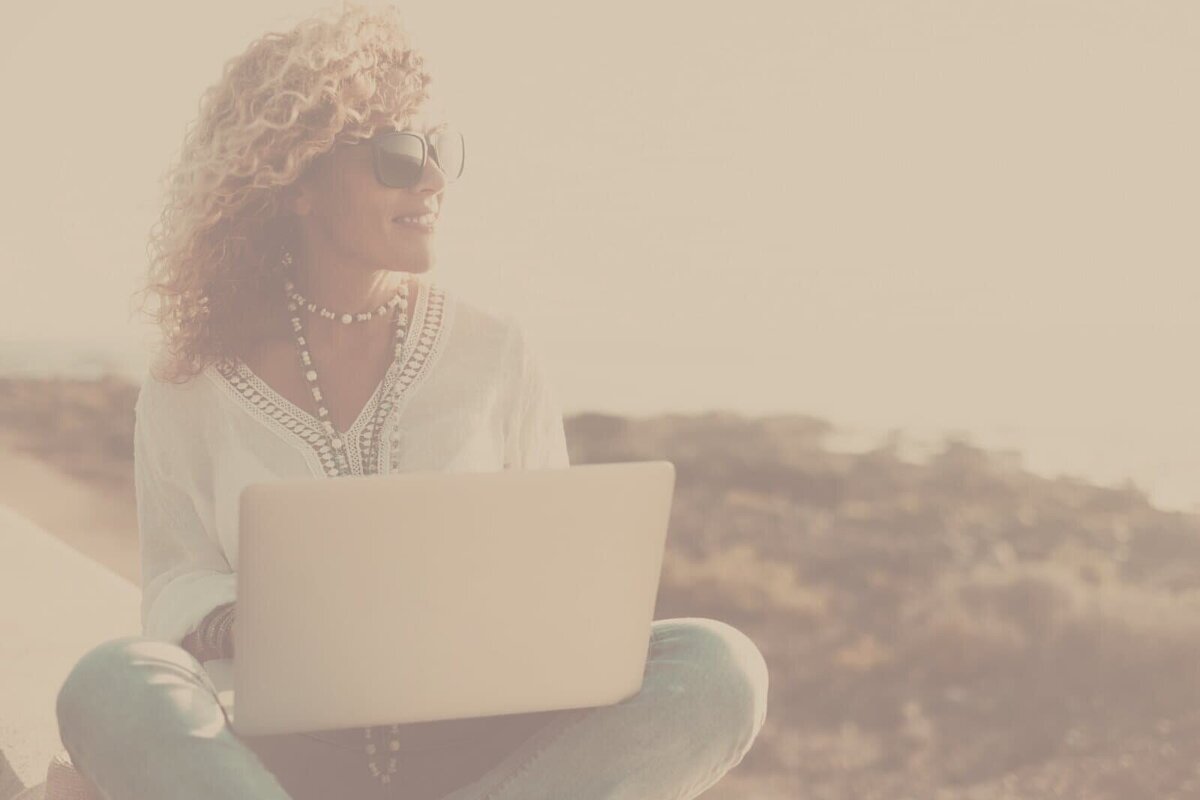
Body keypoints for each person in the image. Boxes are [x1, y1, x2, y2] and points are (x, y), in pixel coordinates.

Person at [53, 3, 769, 798]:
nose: (431, 179)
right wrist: (258, 623)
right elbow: (175, 584)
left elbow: (554, 573)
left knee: (719, 666)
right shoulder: (192, 381)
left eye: (438, 150)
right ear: (297, 181)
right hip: (278, 756)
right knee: (110, 681)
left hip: (485, 750)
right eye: (397, 156)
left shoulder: (495, 352)